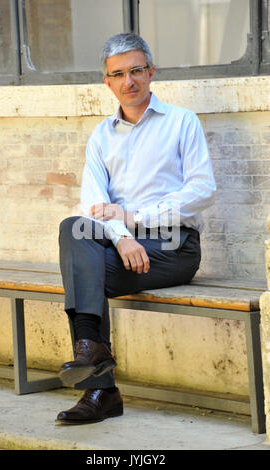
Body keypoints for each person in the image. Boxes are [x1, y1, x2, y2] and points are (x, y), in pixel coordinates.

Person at [56, 33, 216, 425]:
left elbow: (202, 190)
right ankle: (94, 356)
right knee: (73, 227)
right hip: (122, 245)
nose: (129, 81)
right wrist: (123, 237)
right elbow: (92, 208)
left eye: (136, 70)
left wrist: (135, 220)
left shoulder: (181, 122)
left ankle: (101, 390)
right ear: (107, 82)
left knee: (82, 272)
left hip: (174, 246)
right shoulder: (101, 136)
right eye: (119, 74)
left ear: (151, 72)